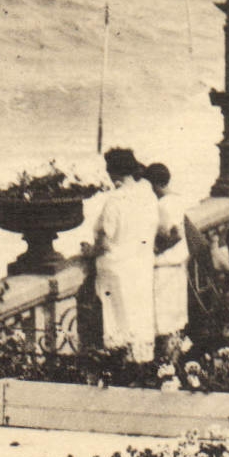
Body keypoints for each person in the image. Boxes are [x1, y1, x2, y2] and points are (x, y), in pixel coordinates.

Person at [92, 147, 159, 363]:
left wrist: (89, 251)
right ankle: (142, 361)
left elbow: (104, 241)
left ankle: (122, 363)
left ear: (114, 172)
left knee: (118, 319)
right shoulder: (148, 194)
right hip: (142, 264)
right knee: (140, 318)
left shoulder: (115, 200)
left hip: (117, 269)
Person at [145, 163, 189, 353]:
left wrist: (155, 250)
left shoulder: (162, 205)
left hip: (164, 267)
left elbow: (176, 234)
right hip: (178, 266)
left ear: (154, 185)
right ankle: (173, 361)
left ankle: (166, 362)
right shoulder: (177, 200)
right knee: (175, 320)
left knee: (162, 321)